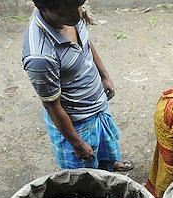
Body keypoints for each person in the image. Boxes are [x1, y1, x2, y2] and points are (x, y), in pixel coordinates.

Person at [22, 0, 133, 172]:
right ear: (42, 7)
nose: (78, 15)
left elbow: (86, 43)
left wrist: (104, 76)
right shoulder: (40, 57)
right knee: (85, 174)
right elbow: (52, 106)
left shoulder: (71, 15)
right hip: (76, 123)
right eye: (67, 12)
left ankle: (109, 164)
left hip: (96, 107)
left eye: (79, 6)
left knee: (105, 148)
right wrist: (77, 143)